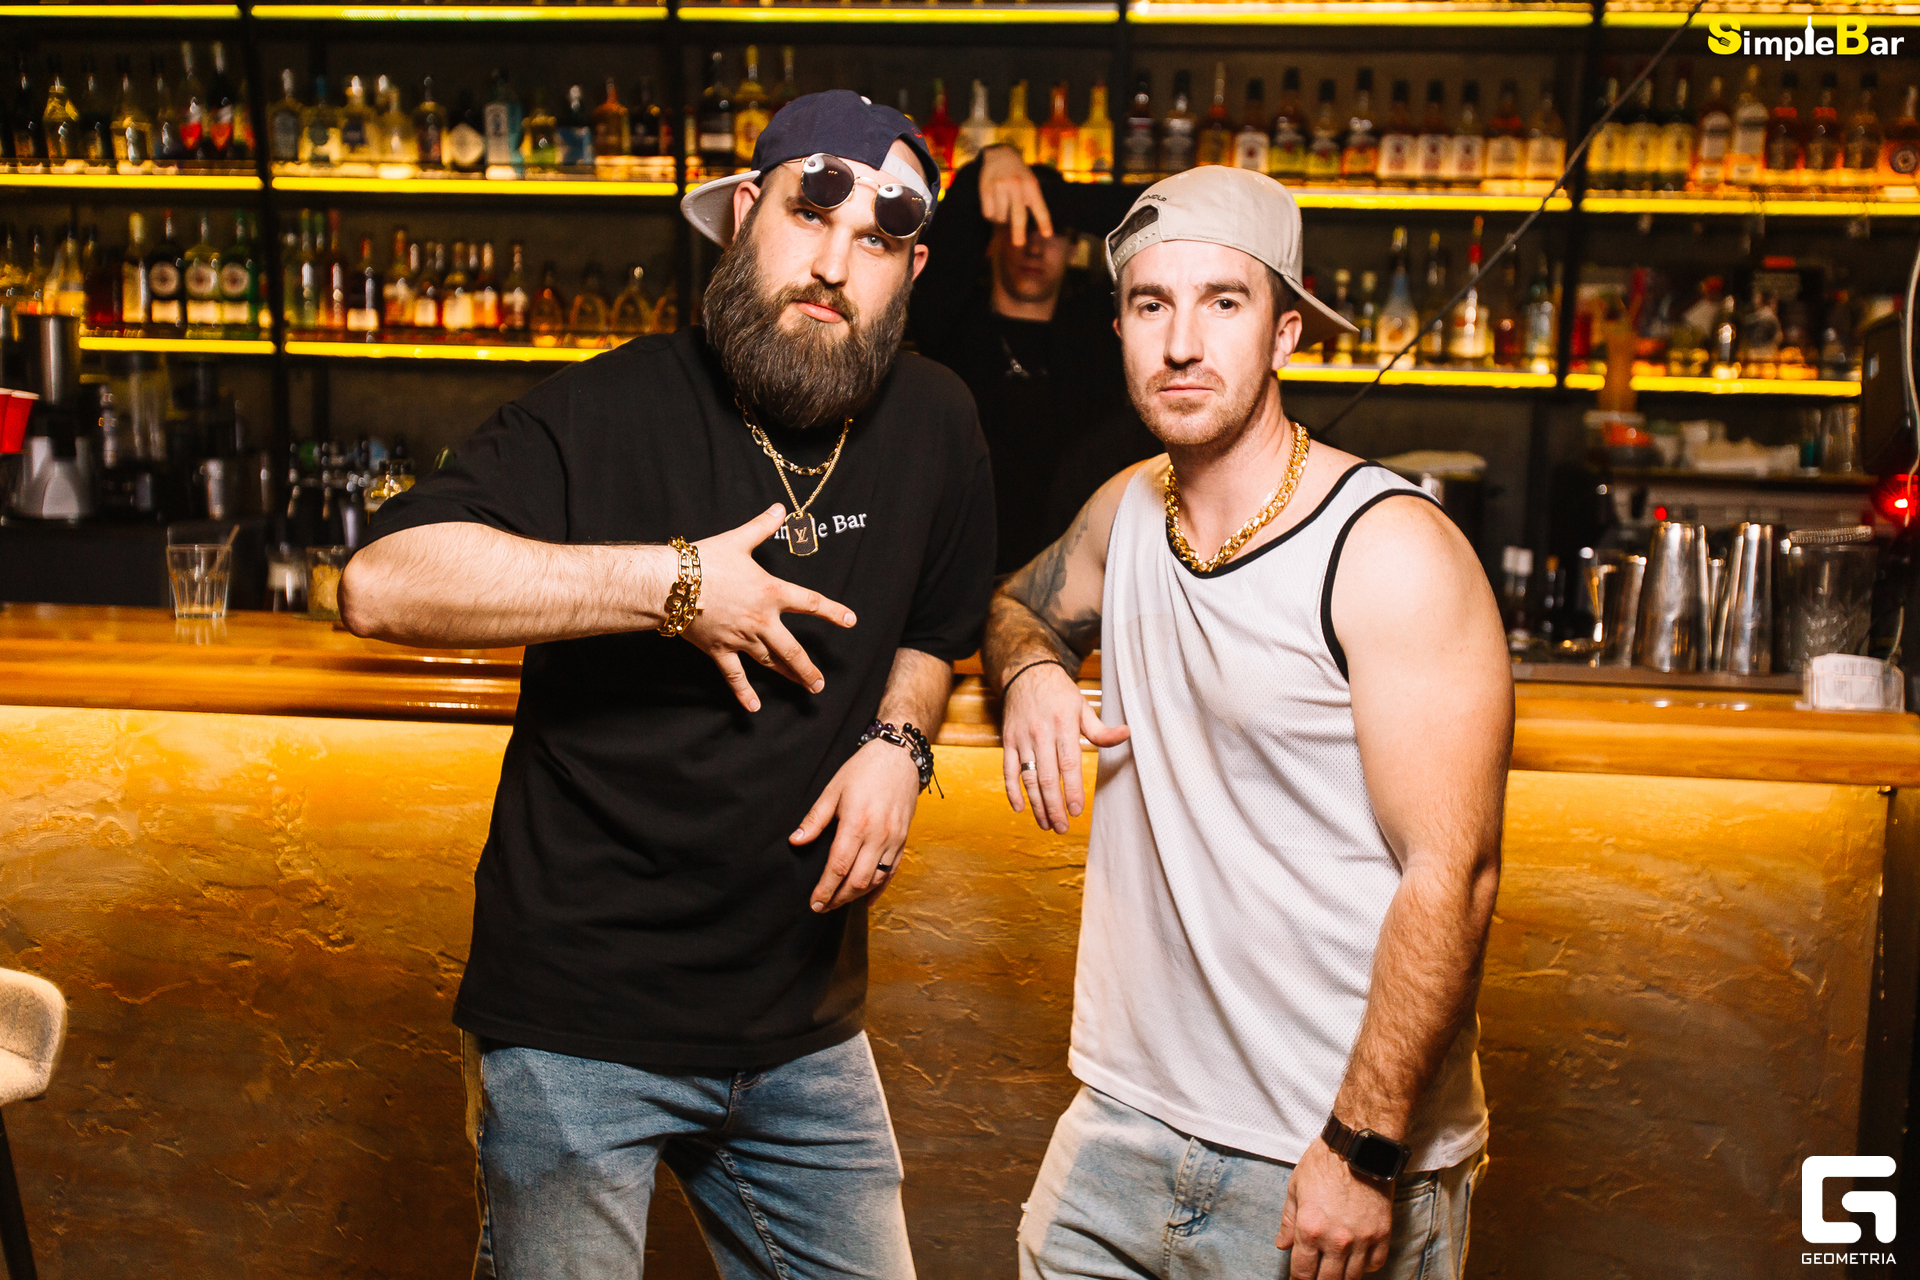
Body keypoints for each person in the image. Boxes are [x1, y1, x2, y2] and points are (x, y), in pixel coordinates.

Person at [338, 90, 996, 1279]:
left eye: (877, 240)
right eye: (809, 215)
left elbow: (938, 627)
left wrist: (901, 743)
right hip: (579, 1027)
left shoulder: (937, 421)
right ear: (745, 213)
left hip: (801, 1030)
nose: (834, 265)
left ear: (911, 270)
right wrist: (675, 584)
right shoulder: (608, 405)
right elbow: (381, 582)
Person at [983, 165, 1511, 1280]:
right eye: (1151, 304)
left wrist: (1363, 1147)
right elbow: (1018, 606)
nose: (1181, 343)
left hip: (1324, 1151)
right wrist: (1033, 672)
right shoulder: (1126, 511)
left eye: (1223, 301)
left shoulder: (1391, 549)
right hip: (1122, 1119)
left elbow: (1452, 876)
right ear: (1120, 329)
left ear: (1285, 332)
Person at [909, 146, 1158, 574]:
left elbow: (1160, 211)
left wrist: (1041, 196)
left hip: (1081, 577)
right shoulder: (950, 323)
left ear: (1075, 246)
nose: (1036, 245)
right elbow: (950, 234)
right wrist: (994, 160)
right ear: (992, 239)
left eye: (1053, 229)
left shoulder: (1102, 333)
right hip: (962, 575)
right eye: (1020, 224)